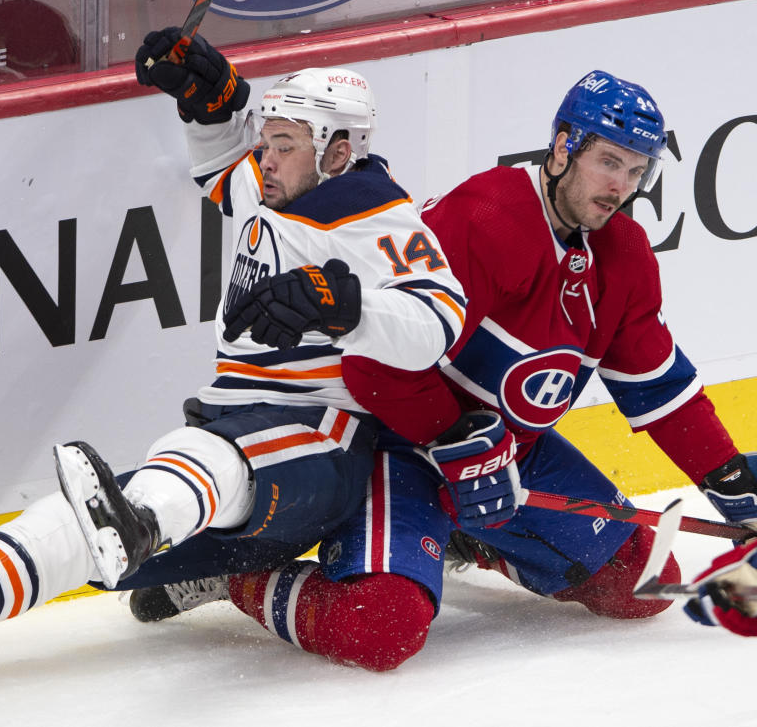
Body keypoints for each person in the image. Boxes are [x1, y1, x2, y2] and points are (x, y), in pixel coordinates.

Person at [0, 29, 471, 672]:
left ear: (337, 153)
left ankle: (148, 518)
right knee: (83, 539)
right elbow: (222, 171)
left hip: (322, 442)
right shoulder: (278, 189)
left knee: (195, 471)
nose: (264, 158)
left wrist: (345, 302)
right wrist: (214, 104)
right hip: (232, 438)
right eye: (267, 141)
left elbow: (438, 319)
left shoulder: (381, 219)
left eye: (284, 144)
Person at [128, 69, 757, 671]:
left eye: (636, 169)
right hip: (400, 445)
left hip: (510, 453)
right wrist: (453, 444)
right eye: (609, 162)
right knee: (379, 628)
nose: (620, 185)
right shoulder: (487, 217)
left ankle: (467, 537)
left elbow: (657, 382)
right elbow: (374, 362)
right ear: (564, 147)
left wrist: (730, 481)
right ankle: (239, 575)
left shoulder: (623, 252)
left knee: (640, 584)